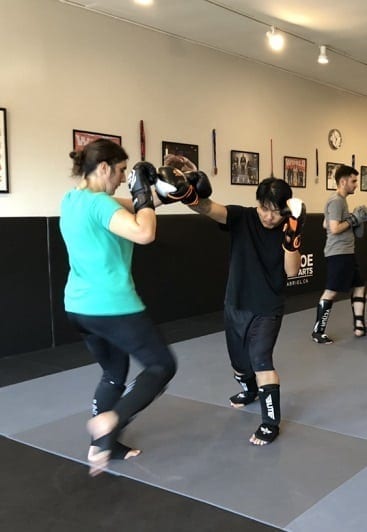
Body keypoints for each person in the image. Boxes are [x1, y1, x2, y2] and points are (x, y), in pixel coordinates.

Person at [153, 161, 304, 445]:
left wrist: (292, 238)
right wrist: (188, 194)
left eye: (276, 211)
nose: (269, 217)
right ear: (258, 203)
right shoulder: (242, 217)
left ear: (285, 209)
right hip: (235, 302)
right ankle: (250, 391)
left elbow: (293, 270)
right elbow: (209, 208)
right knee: (239, 364)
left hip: (267, 307)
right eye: (265, 208)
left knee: (261, 361)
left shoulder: (289, 226)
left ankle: (270, 422)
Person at [60, 139, 176, 476]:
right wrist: (143, 200)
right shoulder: (99, 206)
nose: (124, 177)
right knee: (161, 365)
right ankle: (110, 421)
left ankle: (102, 446)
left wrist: (164, 193)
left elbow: (137, 205)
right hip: (112, 306)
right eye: (121, 171)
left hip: (78, 307)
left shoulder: (72, 200)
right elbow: (144, 232)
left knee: (114, 372)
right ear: (105, 168)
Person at [312, 164, 367, 344]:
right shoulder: (337, 200)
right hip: (339, 253)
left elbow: (324, 224)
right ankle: (318, 332)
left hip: (346, 252)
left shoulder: (339, 201)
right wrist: (353, 219)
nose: (355, 185)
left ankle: (359, 325)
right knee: (331, 292)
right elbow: (334, 228)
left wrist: (352, 219)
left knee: (359, 285)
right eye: (353, 181)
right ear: (343, 181)